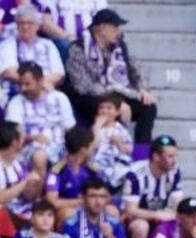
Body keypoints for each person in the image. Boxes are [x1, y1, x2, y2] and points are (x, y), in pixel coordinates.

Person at [66, 8, 157, 143]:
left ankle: (141, 154)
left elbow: (136, 67)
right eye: (115, 27)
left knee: (148, 107)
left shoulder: (119, 46)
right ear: (102, 28)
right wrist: (115, 102)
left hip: (117, 94)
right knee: (108, 108)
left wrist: (143, 88)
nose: (118, 31)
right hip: (90, 98)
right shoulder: (78, 48)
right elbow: (83, 86)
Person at [3, 61, 76, 173]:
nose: (23, 89)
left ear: (40, 81)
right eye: (20, 84)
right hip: (30, 150)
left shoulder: (60, 98)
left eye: (27, 84)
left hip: (61, 147)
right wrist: (32, 138)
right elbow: (13, 137)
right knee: (40, 156)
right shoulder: (16, 103)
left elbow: (71, 129)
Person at [120, 134, 182, 238]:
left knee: (183, 222)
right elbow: (130, 211)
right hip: (132, 220)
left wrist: (170, 215)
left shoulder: (174, 171)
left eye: (175, 155)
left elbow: (178, 205)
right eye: (170, 156)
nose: (174, 160)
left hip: (160, 217)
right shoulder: (135, 174)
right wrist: (156, 215)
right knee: (141, 226)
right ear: (156, 157)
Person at [0, 3, 63, 89]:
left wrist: (37, 85)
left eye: (30, 23)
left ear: (37, 26)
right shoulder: (7, 44)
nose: (25, 27)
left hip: (45, 91)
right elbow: (8, 72)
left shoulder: (48, 45)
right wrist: (31, 85)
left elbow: (58, 74)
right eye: (22, 23)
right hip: (16, 92)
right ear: (16, 25)